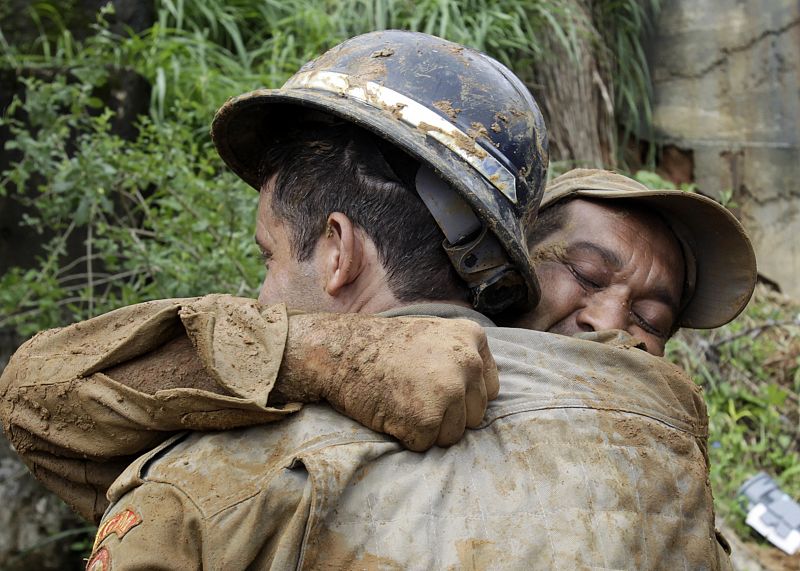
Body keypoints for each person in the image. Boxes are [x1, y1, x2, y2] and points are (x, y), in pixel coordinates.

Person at [0, 31, 755, 569]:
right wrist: (330, 352)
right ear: (506, 273)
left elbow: (40, 409)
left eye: (655, 319)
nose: (613, 327)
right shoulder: (666, 479)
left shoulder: (215, 484)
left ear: (337, 249)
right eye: (587, 276)